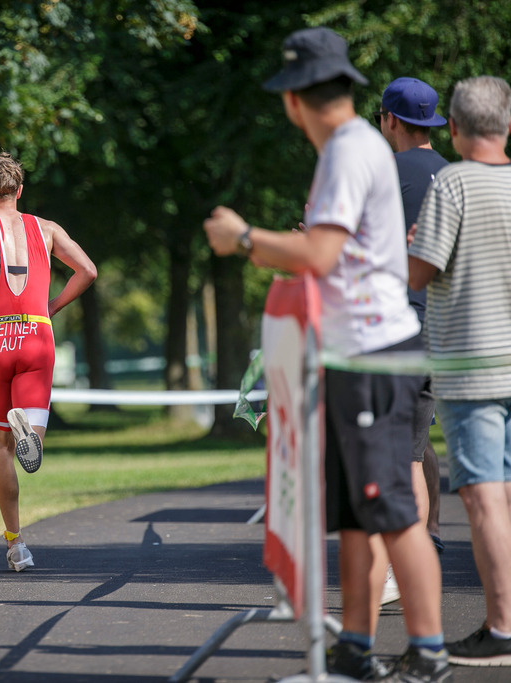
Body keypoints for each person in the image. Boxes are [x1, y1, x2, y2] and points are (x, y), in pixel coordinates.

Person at [202, 28, 448, 681]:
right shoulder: (359, 146)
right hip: (355, 354)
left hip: (371, 355)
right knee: (358, 520)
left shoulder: (346, 150)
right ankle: (357, 647)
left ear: (292, 100)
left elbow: (320, 254)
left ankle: (429, 652)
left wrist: (244, 237)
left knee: (392, 512)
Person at [408, 74, 511, 667]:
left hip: (474, 369)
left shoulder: (453, 183)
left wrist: (411, 244)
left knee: (483, 498)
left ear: (454, 128)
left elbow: (420, 274)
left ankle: (500, 628)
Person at [0, 152, 96, 572]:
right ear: (20, 190)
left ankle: (16, 546)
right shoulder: (46, 228)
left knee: (1, 446)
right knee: (30, 435)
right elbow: (87, 270)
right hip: (37, 335)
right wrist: (50, 308)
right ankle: (31, 428)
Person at [373, 76, 450, 611]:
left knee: (396, 456)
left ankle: (407, 563)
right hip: (447, 328)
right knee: (419, 440)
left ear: (390, 120)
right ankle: (434, 531)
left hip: (396, 326)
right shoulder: (454, 176)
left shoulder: (381, 174)